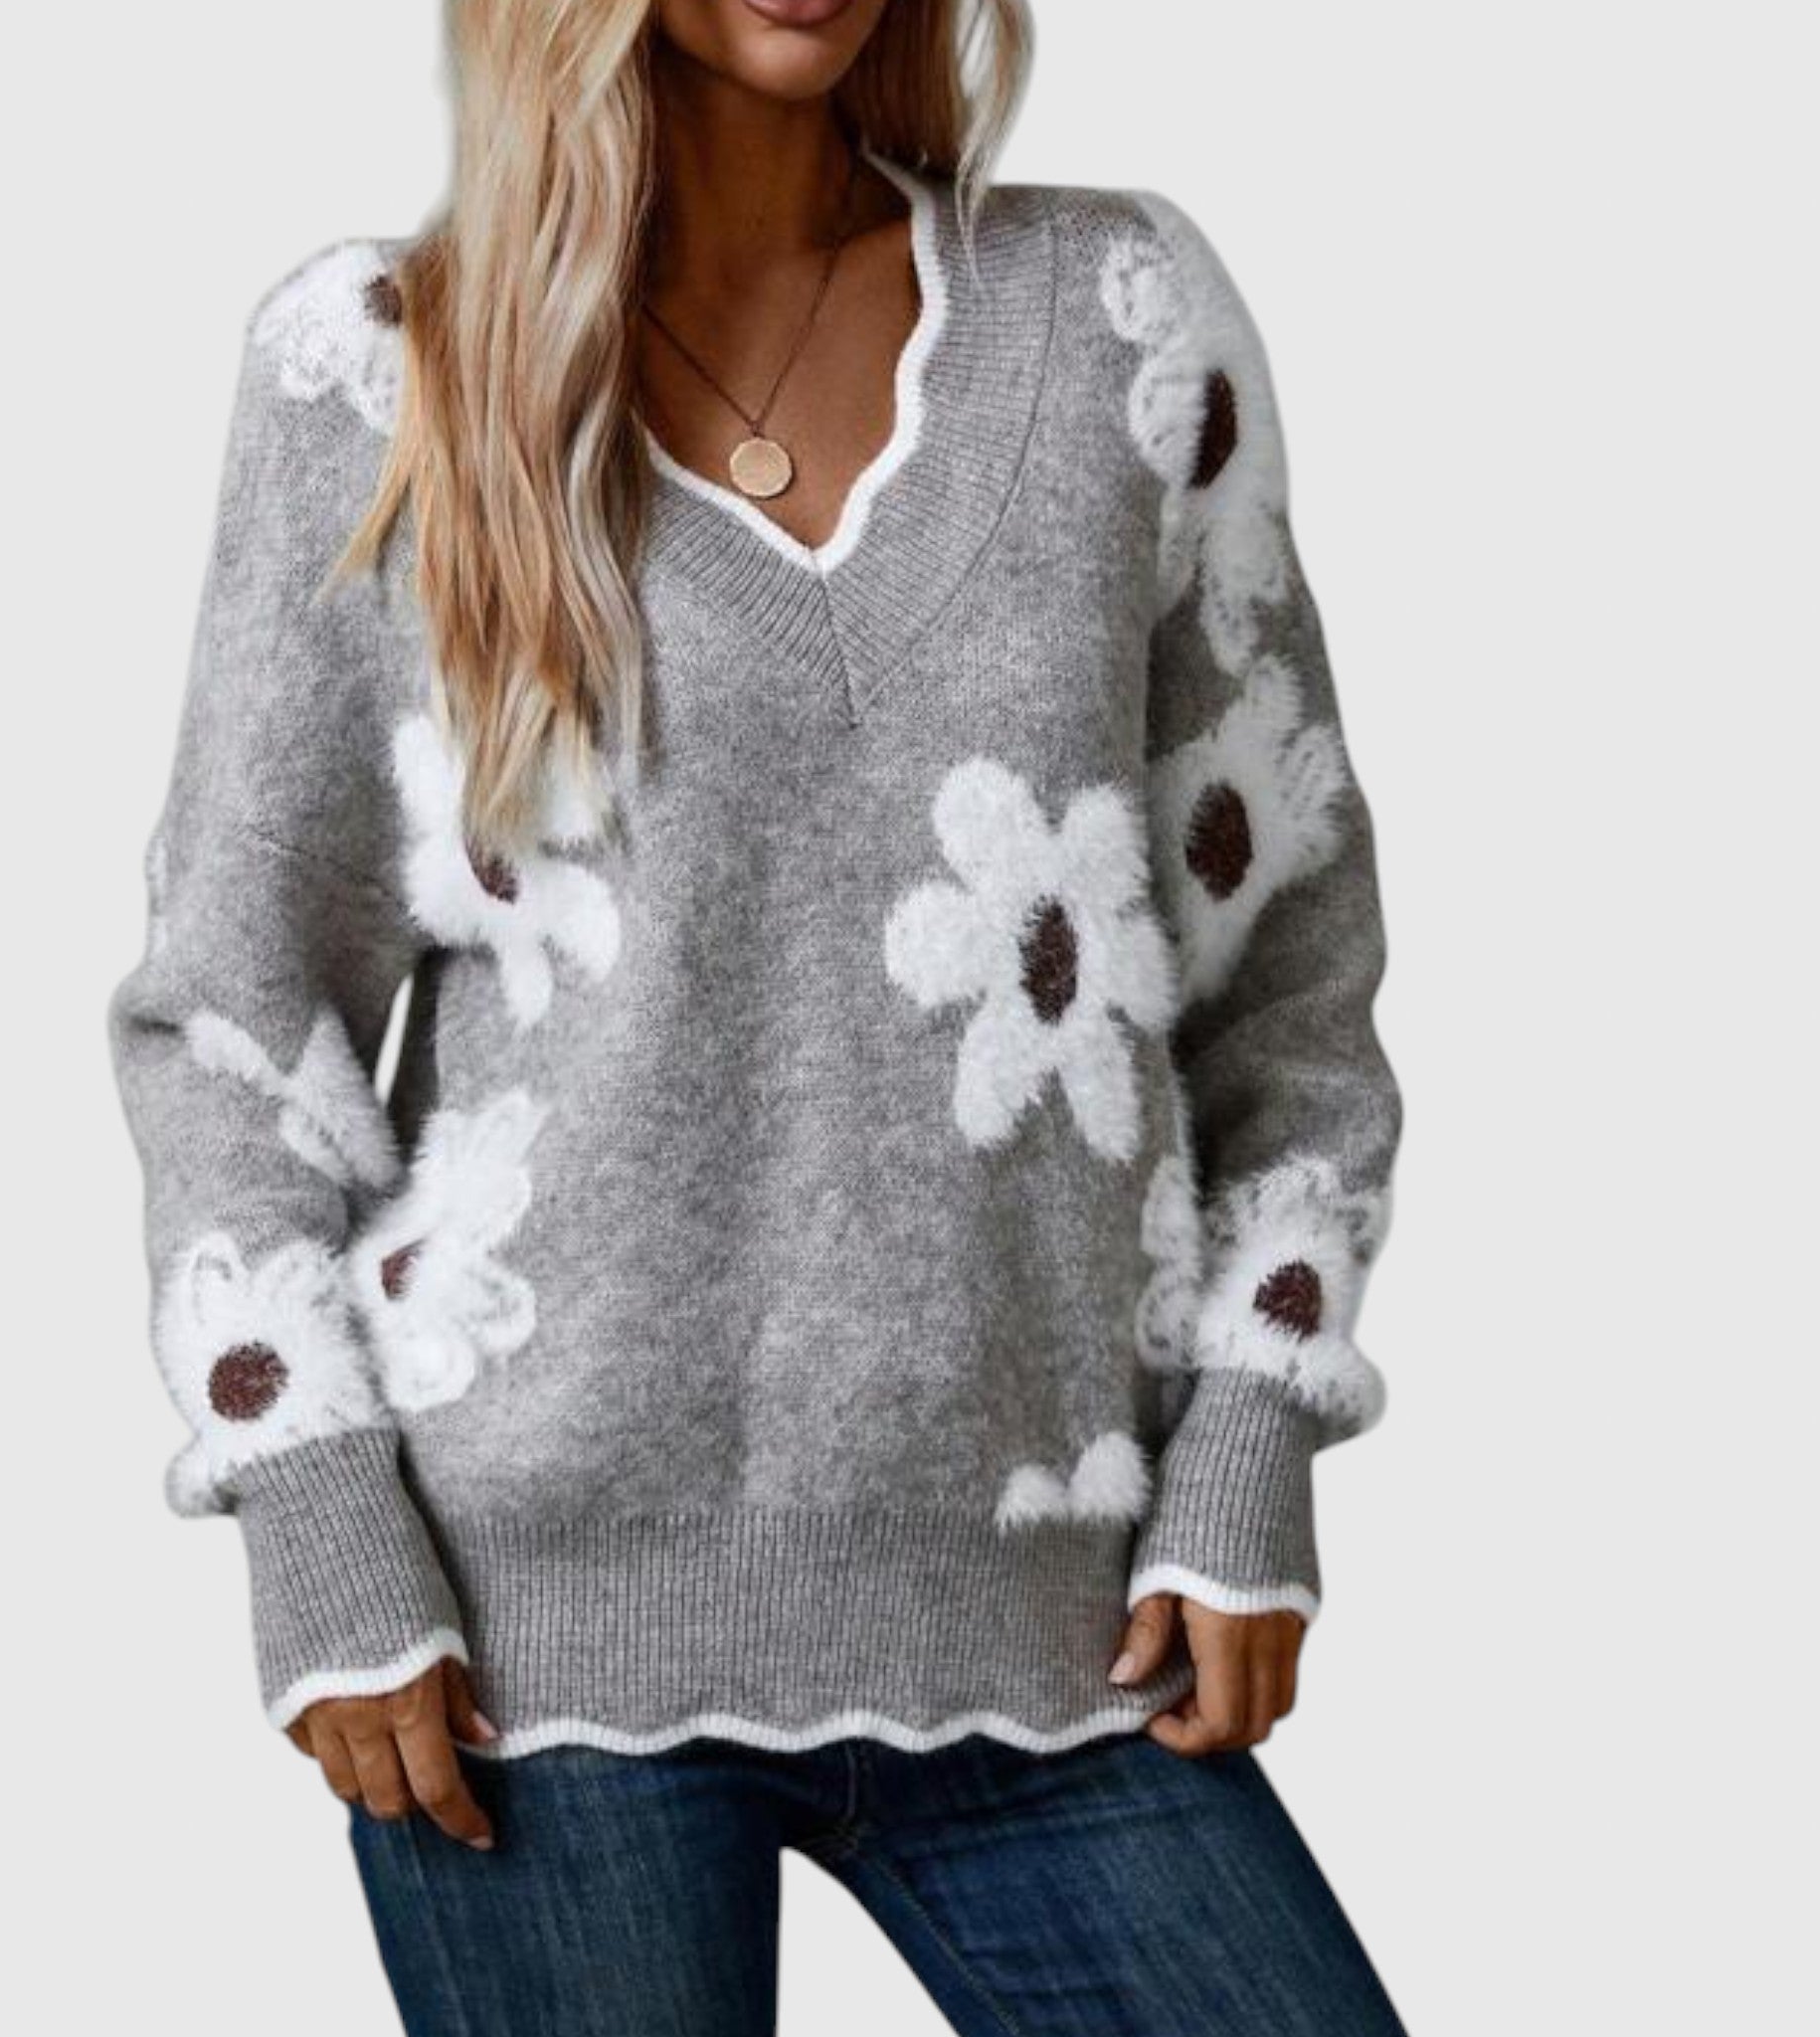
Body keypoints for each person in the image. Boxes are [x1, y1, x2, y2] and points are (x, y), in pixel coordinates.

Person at [110, 1, 1406, 2029]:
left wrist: (1254, 1435)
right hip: (526, 1658)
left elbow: (1288, 962)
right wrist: (317, 1515)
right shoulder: (380, 371)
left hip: (1065, 1619)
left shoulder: (1119, 323)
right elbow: (237, 1016)